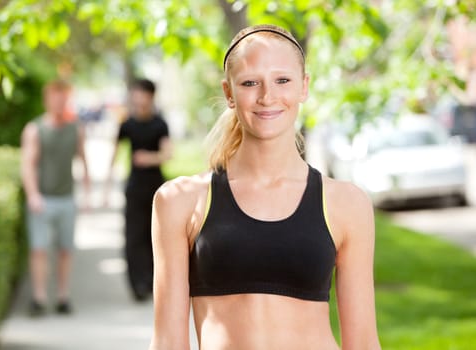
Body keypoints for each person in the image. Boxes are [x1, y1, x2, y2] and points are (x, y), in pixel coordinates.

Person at [149, 24, 381, 349]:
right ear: (229, 92)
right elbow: (167, 343)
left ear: (304, 87)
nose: (267, 96)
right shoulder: (180, 201)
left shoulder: (346, 203)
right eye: (249, 83)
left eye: (282, 80)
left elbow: (363, 343)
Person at [21, 79, 90, 316]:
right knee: (38, 249)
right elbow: (28, 165)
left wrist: (88, 194)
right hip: (42, 200)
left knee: (65, 250)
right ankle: (39, 297)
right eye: (55, 97)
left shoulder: (76, 128)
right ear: (47, 99)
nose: (59, 101)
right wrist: (33, 195)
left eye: (63, 97)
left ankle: (62, 296)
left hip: (66, 199)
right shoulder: (35, 129)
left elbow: (83, 160)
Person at [106, 78, 172, 301]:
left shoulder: (160, 124)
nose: (138, 98)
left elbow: (167, 154)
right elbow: (113, 154)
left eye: (142, 93)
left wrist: (148, 158)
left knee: (154, 235)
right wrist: (106, 187)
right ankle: (138, 285)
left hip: (156, 188)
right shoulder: (127, 124)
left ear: (151, 96)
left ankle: (154, 281)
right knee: (133, 237)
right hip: (134, 188)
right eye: (135, 93)